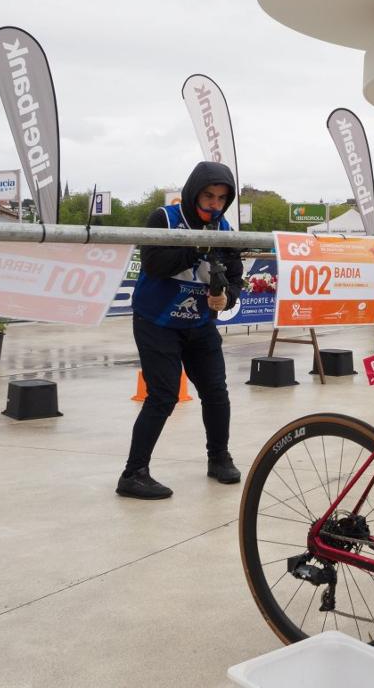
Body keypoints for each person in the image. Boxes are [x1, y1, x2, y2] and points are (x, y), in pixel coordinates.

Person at [116, 162, 244, 500]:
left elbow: (235, 276)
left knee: (216, 391)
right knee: (162, 396)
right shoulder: (164, 218)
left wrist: (226, 295)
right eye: (208, 196)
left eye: (221, 198)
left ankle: (219, 458)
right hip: (156, 322)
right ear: (193, 193)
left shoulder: (226, 229)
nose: (214, 204)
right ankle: (133, 474)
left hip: (199, 325)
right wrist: (197, 247)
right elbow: (154, 263)